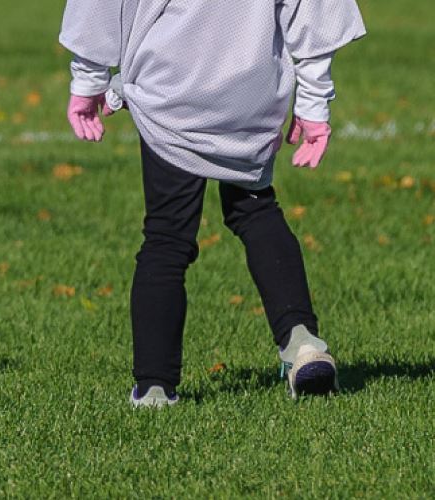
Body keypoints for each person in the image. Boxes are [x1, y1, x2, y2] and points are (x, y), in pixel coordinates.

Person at [59, 0, 364, 405]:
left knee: (167, 236)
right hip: (250, 90)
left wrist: (88, 80)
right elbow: (315, 11)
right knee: (255, 210)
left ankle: (154, 386)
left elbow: (97, 7)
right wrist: (313, 105)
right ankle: (303, 343)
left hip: (171, 89)